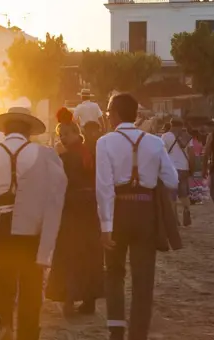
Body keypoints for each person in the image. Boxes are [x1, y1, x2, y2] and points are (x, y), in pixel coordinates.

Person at [0, 106, 66, 340]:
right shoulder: (44, 154)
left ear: (4, 130)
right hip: (32, 229)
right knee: (31, 288)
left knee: (0, 284)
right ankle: (28, 335)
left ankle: (2, 327)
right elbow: (54, 198)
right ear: (29, 132)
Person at [96, 93, 178, 340]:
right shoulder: (155, 142)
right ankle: (138, 333)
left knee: (114, 272)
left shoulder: (105, 142)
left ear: (116, 114)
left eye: (109, 111)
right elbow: (172, 179)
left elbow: (104, 187)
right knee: (144, 277)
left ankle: (116, 329)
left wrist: (105, 225)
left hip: (118, 212)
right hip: (145, 214)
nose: (107, 116)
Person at [46, 108, 104, 318]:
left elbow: (55, 182)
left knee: (69, 252)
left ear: (75, 132)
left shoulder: (65, 156)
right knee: (90, 252)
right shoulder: (92, 151)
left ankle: (69, 300)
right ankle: (89, 301)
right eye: (61, 135)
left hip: (71, 207)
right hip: (89, 206)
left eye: (65, 134)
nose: (62, 138)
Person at [161, 118, 194, 226]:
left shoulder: (165, 136)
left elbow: (161, 154)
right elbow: (192, 154)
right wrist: (191, 168)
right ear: (182, 125)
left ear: (171, 125)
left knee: (172, 195)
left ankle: (175, 219)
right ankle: (186, 210)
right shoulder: (187, 137)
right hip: (184, 168)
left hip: (170, 169)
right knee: (184, 194)